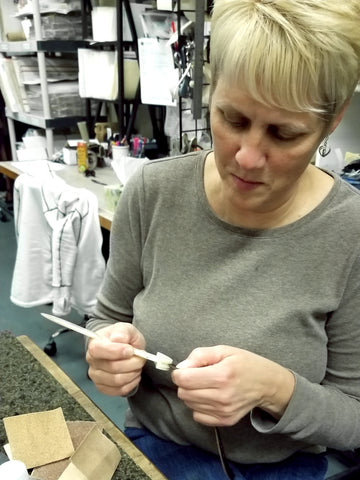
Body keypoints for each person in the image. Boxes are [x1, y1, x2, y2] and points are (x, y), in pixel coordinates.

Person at [85, 1, 360, 479]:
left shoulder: (350, 233)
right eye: (232, 119)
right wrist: (107, 350)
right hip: (157, 447)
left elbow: (353, 419)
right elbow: (108, 317)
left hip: (281, 466)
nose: (249, 158)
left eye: (284, 133)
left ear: (332, 120)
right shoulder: (152, 192)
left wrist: (276, 389)